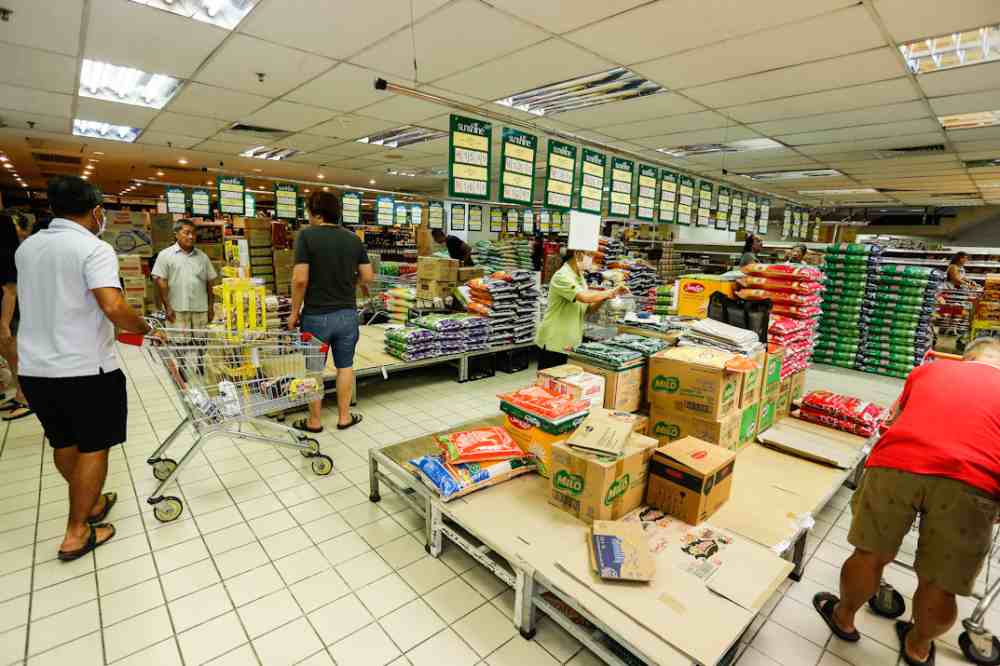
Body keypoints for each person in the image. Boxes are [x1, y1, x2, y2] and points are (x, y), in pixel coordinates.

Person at [812, 338, 1000, 666]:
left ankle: (844, 618)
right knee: (940, 583)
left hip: (898, 461)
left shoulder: (930, 371)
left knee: (869, 555)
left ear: (967, 357)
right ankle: (918, 647)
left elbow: (893, 421)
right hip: (975, 480)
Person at [16, 176, 154, 560]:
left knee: (63, 441)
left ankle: (90, 504)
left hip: (35, 368)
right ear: (96, 211)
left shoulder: (27, 249)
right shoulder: (93, 249)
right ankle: (76, 532)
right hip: (84, 367)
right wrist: (143, 326)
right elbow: (112, 305)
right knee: (95, 446)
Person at [288, 191, 374, 433]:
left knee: (314, 368)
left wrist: (294, 312)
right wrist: (347, 283)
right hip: (347, 315)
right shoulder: (353, 239)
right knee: (345, 366)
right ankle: (344, 417)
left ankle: (315, 421)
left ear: (315, 213)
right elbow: (368, 276)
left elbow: (299, 280)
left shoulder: (306, 236)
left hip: (316, 316)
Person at [535, 247, 626, 369]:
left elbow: (588, 309)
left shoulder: (580, 277)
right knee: (549, 382)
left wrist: (604, 297)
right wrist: (610, 292)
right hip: (554, 341)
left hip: (571, 342)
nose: (591, 259)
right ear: (577, 253)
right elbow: (584, 297)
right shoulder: (562, 276)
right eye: (589, 254)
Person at [151, 219, 218, 329]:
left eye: (193, 233)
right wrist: (167, 307)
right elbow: (161, 283)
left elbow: (210, 282)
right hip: (177, 309)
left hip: (200, 309)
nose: (191, 237)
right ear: (176, 234)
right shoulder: (165, 255)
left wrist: (211, 307)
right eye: (187, 233)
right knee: (178, 343)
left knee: (200, 343)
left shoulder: (203, 257)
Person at [0, 213, 31, 420]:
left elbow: (10, 290)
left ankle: (25, 396)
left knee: (15, 354)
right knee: (9, 354)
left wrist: (4, 322)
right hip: (6, 313)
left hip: (9, 313)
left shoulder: (8, 254)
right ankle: (21, 394)